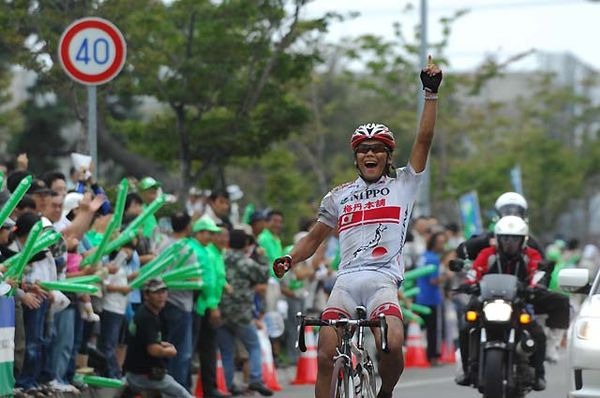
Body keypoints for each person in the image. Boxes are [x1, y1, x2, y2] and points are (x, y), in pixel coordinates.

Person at [273, 57, 443, 398]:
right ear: (356, 157)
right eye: (364, 149)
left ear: (388, 156)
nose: (370, 154)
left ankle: (385, 391)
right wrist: (290, 259)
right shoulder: (339, 196)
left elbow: (423, 141)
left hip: (383, 281)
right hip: (346, 282)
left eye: (377, 149)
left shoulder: (404, 185)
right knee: (324, 352)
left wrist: (430, 94)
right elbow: (314, 239)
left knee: (392, 343)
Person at [455, 215, 547, 391]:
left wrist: (536, 286)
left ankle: (538, 374)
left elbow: (538, 273)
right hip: (487, 301)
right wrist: (469, 284)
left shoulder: (530, 256)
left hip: (518, 302)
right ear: (497, 239)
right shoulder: (487, 254)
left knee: (538, 333)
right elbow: (475, 272)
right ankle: (467, 369)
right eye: (505, 238)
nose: (510, 243)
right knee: (466, 326)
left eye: (514, 239)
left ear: (523, 240)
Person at [217, 229, 273, 396]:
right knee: (253, 346)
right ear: (246, 244)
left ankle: (227, 385)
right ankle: (255, 379)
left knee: (227, 351)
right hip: (241, 312)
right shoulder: (246, 263)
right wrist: (262, 256)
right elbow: (264, 274)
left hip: (220, 311)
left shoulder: (220, 258)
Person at [122, 279, 193, 398]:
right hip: (143, 376)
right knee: (183, 395)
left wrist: (162, 344)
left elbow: (147, 341)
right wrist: (170, 351)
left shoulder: (148, 313)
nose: (161, 296)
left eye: (163, 292)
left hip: (138, 374)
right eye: (156, 293)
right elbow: (153, 350)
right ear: (146, 295)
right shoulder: (147, 317)